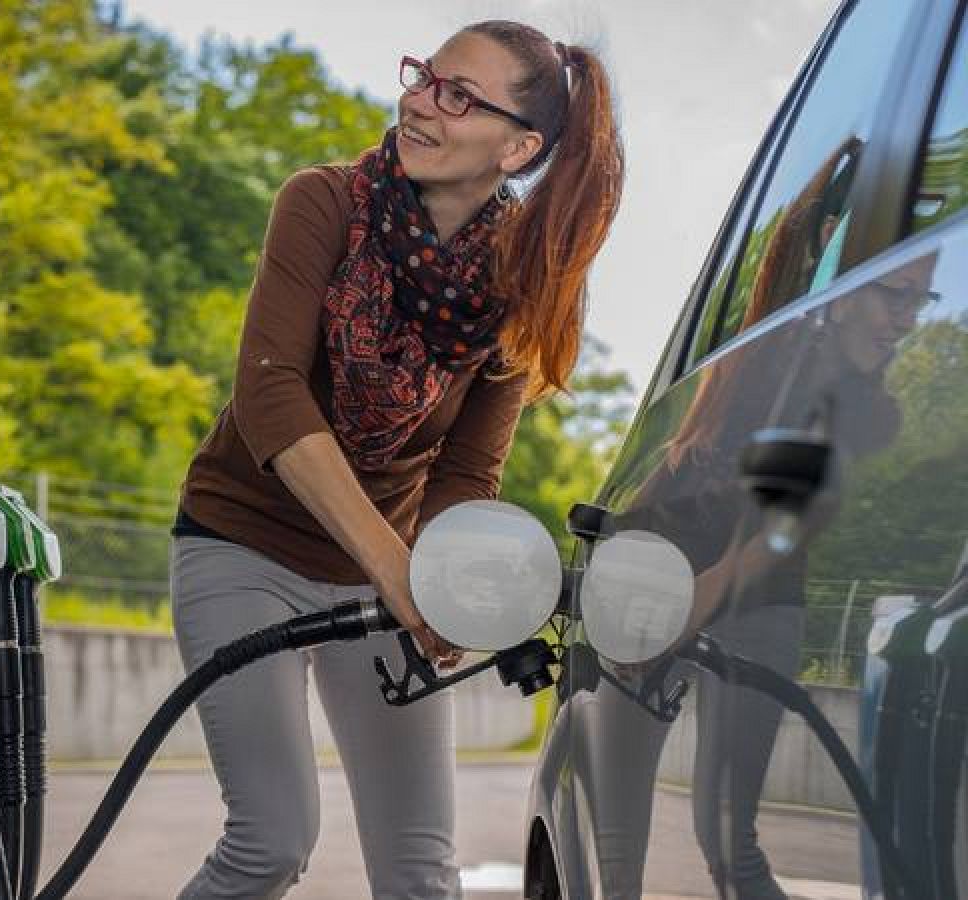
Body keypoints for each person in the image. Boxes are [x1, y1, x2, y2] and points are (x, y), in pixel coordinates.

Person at [169, 21, 625, 899]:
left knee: (420, 871)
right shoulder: (324, 203)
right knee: (270, 839)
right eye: (425, 77)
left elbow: (465, 476)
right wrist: (398, 570)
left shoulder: (519, 282)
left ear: (519, 146)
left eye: (459, 95)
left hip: (384, 571)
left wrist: (442, 587)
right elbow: (270, 397)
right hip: (240, 546)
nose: (419, 101)